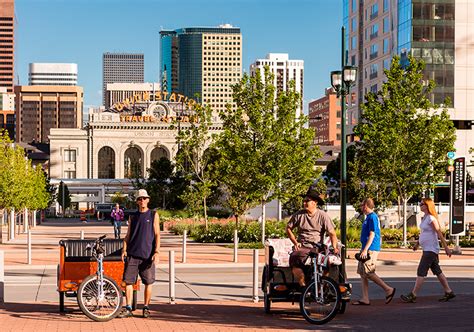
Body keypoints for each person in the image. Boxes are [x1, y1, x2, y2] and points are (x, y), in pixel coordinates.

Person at [401, 197, 455, 303]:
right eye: (420, 204)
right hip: (427, 248)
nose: (420, 205)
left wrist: (446, 248)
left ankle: (413, 295)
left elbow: (439, 233)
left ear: (427, 206)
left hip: (431, 249)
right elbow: (423, 233)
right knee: (437, 271)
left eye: (422, 204)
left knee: (421, 271)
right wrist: (417, 244)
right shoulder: (425, 217)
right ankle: (449, 291)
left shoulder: (431, 218)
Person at [286, 188, 339, 287]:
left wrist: (334, 247)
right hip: (303, 247)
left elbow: (332, 233)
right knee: (294, 260)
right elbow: (288, 228)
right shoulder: (299, 215)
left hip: (318, 248)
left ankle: (321, 286)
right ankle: (304, 286)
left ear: (315, 203)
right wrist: (295, 242)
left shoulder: (323, 216)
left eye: (307, 201)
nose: (304, 203)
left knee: (325, 264)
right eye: (304, 201)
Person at [120, 189, 160, 318]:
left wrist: (157, 252)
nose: (142, 201)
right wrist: (124, 249)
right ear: (137, 201)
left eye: (144, 198)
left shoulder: (153, 215)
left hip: (147, 255)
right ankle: (128, 308)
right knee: (129, 283)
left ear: (148, 200)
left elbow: (157, 234)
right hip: (132, 255)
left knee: (148, 282)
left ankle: (146, 307)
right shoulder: (133, 216)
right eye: (140, 199)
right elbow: (128, 235)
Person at [352, 198, 396, 305]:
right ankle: (365, 298)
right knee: (363, 273)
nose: (361, 207)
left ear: (366, 205)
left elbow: (372, 234)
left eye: (362, 205)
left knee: (368, 272)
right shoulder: (368, 218)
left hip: (370, 249)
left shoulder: (372, 217)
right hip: (366, 248)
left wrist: (366, 250)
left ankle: (388, 289)